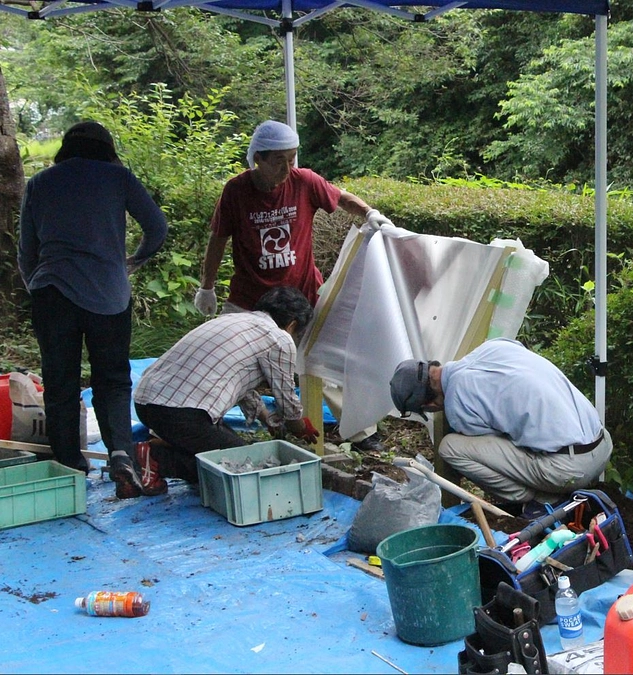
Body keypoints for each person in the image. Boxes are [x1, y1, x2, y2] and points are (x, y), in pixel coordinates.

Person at [194, 119, 389, 453]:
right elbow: (218, 238)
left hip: (303, 296)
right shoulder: (236, 191)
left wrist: (369, 212)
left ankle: (361, 432)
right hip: (250, 299)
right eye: (278, 161)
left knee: (325, 360)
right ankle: (219, 422)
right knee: (225, 360)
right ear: (257, 159)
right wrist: (207, 286)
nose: (286, 169)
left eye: (292, 159)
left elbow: (341, 198)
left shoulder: (304, 181)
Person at [18, 121, 168, 499]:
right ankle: (121, 455)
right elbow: (157, 227)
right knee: (113, 379)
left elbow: (26, 252)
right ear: (107, 149)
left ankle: (69, 468)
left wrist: (38, 288)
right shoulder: (118, 178)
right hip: (108, 295)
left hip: (53, 293)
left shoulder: (40, 183)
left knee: (60, 384)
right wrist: (135, 260)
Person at [389, 337, 613, 517]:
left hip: (570, 470)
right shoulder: (494, 346)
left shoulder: (458, 406)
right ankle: (552, 490)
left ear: (429, 405)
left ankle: (541, 500)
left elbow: (500, 446)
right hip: (602, 443)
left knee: (450, 447)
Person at [133, 286, 321, 486]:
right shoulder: (279, 338)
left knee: (229, 443)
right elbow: (286, 396)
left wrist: (266, 418)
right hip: (180, 413)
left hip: (145, 402)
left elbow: (239, 383)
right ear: (292, 324)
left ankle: (166, 445)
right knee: (240, 467)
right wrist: (300, 427)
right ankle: (158, 458)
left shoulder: (233, 320)